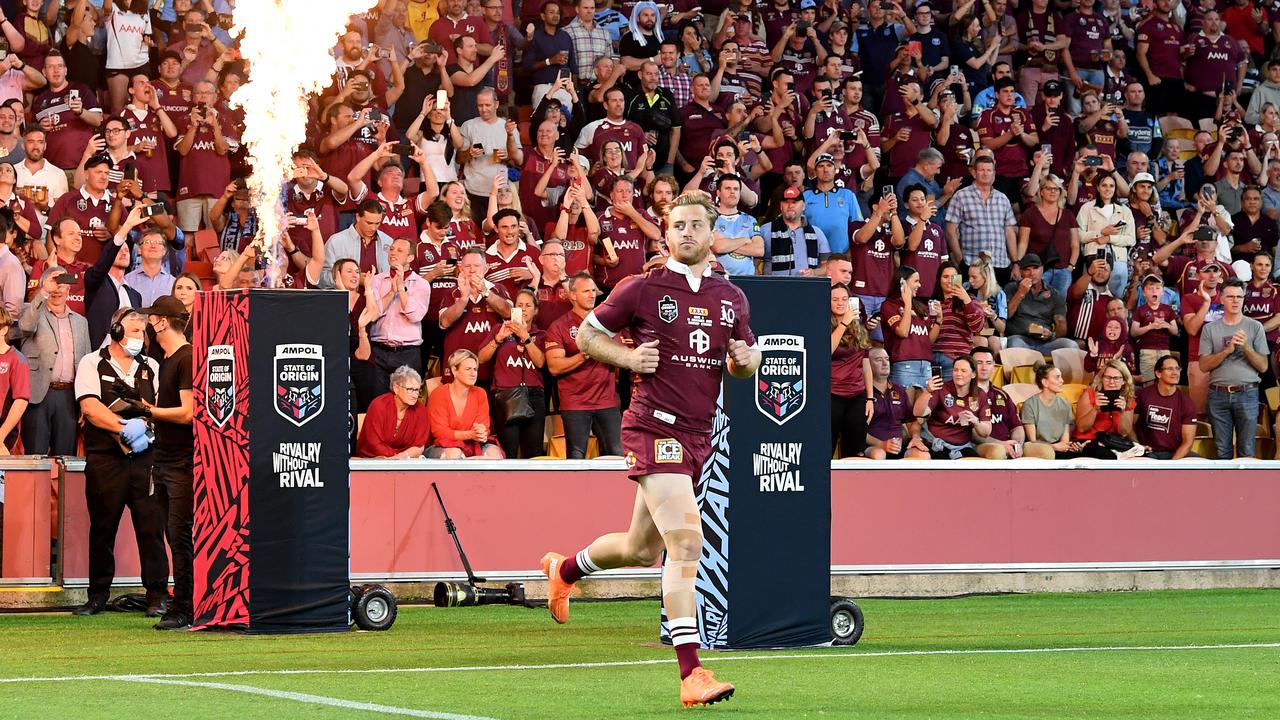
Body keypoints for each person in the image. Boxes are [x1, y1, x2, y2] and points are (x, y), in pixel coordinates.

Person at [540, 191, 759, 708]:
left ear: (711, 235)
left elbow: (741, 366)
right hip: (651, 426)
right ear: (666, 232)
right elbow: (589, 335)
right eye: (677, 225)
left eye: (695, 225)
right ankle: (692, 673)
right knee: (686, 543)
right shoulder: (640, 287)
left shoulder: (732, 298)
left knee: (644, 548)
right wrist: (627, 357)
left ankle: (564, 570)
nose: (685, 233)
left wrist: (745, 361)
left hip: (697, 434)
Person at [72, 307, 166, 618]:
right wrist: (125, 429)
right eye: (136, 331)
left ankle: (156, 596)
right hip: (105, 459)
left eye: (143, 332)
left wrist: (147, 429)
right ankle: (97, 595)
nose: (141, 338)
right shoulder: (91, 362)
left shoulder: (151, 366)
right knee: (102, 528)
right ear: (116, 331)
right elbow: (90, 406)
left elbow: (160, 410)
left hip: (146, 460)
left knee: (151, 528)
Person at [136, 295, 193, 630]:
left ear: (160, 321)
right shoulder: (170, 358)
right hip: (167, 459)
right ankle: (183, 601)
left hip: (182, 462)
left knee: (179, 534)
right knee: (174, 535)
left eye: (151, 319)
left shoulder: (185, 358)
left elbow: (188, 412)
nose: (148, 325)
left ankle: (186, 606)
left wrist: (149, 410)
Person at [545, 272, 624, 458]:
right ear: (572, 295)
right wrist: (586, 354)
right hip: (575, 403)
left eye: (593, 290)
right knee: (576, 456)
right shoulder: (559, 326)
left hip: (607, 400)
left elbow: (620, 355)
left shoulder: (607, 323)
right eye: (586, 291)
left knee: (616, 455)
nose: (592, 295)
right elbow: (554, 367)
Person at [19, 265, 90, 456]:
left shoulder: (81, 322)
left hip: (68, 397)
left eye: (62, 284)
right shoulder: (31, 311)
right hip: (38, 394)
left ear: (69, 289)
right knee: (35, 456)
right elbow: (25, 326)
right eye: (53, 283)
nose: (57, 289)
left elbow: (85, 365)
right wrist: (43, 292)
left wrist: (85, 400)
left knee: (65, 459)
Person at [1199, 279, 1269, 459]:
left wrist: (1246, 347)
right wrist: (1226, 351)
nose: (1235, 300)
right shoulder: (1210, 329)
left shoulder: (1255, 327)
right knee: (1222, 451)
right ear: (1221, 299)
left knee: (1247, 449)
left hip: (1247, 393)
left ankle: (1248, 487)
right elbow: (1203, 365)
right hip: (1218, 394)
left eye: (1239, 296)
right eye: (1230, 296)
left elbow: (1263, 366)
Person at [479, 287, 547, 459]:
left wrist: (526, 337)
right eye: (519, 305)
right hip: (505, 395)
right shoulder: (499, 329)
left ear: (536, 310)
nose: (523, 309)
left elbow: (540, 362)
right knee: (508, 452)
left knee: (533, 453)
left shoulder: (541, 334)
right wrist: (498, 339)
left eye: (528, 305)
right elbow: (481, 358)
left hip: (533, 396)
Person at [426, 349, 503, 458]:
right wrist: (470, 434)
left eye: (475, 369)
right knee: (454, 454)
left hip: (473, 444)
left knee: (494, 454)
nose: (473, 374)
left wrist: (481, 432)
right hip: (443, 445)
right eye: (468, 369)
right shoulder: (439, 394)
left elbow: (483, 426)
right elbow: (440, 433)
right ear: (454, 370)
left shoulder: (480, 393)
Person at [830, 284, 873, 457]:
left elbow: (866, 363)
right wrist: (844, 323)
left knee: (856, 450)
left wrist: (870, 397)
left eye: (844, 299)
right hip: (832, 393)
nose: (840, 303)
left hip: (857, 394)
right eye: (835, 299)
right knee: (827, 446)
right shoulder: (823, 323)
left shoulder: (858, 325)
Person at [356, 365, 431, 459]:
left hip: (406, 461)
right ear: (396, 388)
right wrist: (394, 457)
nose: (415, 395)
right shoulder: (379, 405)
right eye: (410, 389)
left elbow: (419, 446)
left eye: (417, 390)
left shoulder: (421, 410)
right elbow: (373, 443)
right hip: (375, 458)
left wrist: (402, 456)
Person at [1073, 359, 1143, 459]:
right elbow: (1082, 428)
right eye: (1107, 377)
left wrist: (1123, 412)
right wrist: (1095, 409)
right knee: (1108, 457)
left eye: (1116, 378)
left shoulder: (1128, 399)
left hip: (1112, 442)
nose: (1111, 382)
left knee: (1141, 455)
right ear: (1102, 378)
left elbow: (1124, 432)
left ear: (1123, 381)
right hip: (1088, 441)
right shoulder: (1089, 394)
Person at [1004, 253, 1073, 353]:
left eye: (1035, 268)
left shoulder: (1054, 295)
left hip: (1046, 342)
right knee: (1015, 345)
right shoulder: (1011, 288)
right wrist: (1020, 293)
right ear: (1021, 272)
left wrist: (1051, 334)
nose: (1032, 273)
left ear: (1042, 269)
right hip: (1020, 338)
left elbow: (1061, 329)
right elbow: (1007, 315)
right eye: (1027, 269)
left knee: (1071, 345)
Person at [1134, 355, 1199, 459]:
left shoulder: (1186, 402)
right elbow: (1129, 427)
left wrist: (1171, 466)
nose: (1175, 373)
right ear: (1158, 373)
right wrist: (1138, 448)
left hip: (1173, 453)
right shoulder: (1142, 395)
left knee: (1199, 462)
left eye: (1177, 369)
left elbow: (1188, 442)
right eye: (1170, 369)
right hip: (1146, 453)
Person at [1021, 364, 1082, 459]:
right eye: (1057, 377)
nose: (1062, 381)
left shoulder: (1065, 404)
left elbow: (1064, 440)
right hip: (1039, 449)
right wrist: (1053, 447)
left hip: (1059, 448)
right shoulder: (1029, 405)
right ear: (1045, 382)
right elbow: (1032, 441)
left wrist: (1068, 446)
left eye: (1061, 377)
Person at [864, 346, 915, 460]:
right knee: (878, 454)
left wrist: (916, 437)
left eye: (887, 359)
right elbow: (857, 430)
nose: (885, 363)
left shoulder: (899, 389)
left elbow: (911, 421)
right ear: (867, 365)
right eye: (878, 360)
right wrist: (881, 444)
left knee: (922, 455)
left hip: (899, 448)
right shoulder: (862, 392)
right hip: (872, 447)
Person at [0, 307, 28, 452]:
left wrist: (1, 437)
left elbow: (21, 401)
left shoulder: (17, 360)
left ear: (4, 330)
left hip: (3, 433)